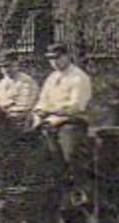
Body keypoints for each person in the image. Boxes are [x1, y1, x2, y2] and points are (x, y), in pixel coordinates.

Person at [31, 42, 92, 181]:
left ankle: (79, 186)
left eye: (58, 58)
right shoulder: (51, 78)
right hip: (48, 121)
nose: (54, 62)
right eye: (51, 59)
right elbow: (42, 100)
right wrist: (39, 112)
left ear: (67, 56)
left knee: (70, 153)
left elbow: (76, 106)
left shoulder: (79, 77)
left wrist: (50, 111)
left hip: (71, 122)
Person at [0, 51, 39, 119]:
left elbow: (24, 107)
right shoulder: (1, 84)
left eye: (8, 66)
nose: (5, 69)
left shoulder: (26, 82)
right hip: (1, 119)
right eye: (2, 67)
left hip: (20, 119)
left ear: (16, 64)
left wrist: (4, 110)